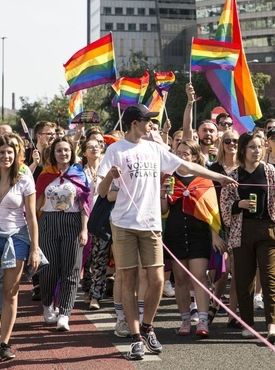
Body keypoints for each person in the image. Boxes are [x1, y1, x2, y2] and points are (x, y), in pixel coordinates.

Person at [97, 104, 235, 361]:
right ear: (134, 123)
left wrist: (218, 178)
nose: (151, 124)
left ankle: (147, 327)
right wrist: (110, 177)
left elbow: (186, 166)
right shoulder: (115, 150)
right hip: (124, 224)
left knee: (158, 279)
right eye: (147, 120)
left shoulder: (154, 149)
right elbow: (103, 191)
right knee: (128, 280)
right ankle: (136, 336)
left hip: (151, 224)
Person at [0, 135, 41, 360]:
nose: (6, 156)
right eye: (1, 152)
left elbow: (31, 216)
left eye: (10, 152)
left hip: (18, 237)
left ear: (17, 154)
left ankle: (5, 342)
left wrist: (34, 248)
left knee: (10, 293)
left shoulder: (24, 176)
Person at [219, 131, 275, 343]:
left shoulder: (270, 171)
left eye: (259, 147)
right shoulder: (234, 175)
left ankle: (271, 326)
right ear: (243, 150)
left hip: (268, 229)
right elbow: (225, 206)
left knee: (270, 277)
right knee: (244, 279)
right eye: (252, 147)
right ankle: (247, 323)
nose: (256, 151)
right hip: (242, 230)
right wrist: (239, 204)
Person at [163, 140, 226, 338]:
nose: (182, 157)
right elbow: (164, 210)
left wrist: (215, 235)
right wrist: (163, 193)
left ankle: (203, 319)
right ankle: (184, 320)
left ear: (195, 156)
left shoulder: (204, 179)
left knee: (199, 276)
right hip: (175, 232)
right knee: (180, 279)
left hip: (199, 233)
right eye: (179, 153)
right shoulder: (169, 177)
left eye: (186, 154)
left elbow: (211, 211)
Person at [35, 135, 91, 332]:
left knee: (71, 270)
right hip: (48, 222)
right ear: (53, 153)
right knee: (48, 268)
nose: (63, 153)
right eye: (59, 150)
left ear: (72, 152)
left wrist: (84, 229)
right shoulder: (45, 174)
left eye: (66, 150)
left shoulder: (79, 173)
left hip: (73, 222)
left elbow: (85, 204)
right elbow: (35, 203)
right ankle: (47, 304)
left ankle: (65, 312)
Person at [208, 128, 240, 323]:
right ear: (222, 144)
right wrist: (213, 234)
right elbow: (208, 202)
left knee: (237, 268)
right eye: (227, 141)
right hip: (218, 223)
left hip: (239, 221)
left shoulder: (244, 168)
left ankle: (233, 313)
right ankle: (214, 303)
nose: (232, 145)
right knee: (223, 268)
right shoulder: (213, 169)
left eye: (235, 141)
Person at [81, 137, 107, 310]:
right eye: (90, 147)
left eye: (97, 146)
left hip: (103, 217)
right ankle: (87, 289)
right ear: (84, 152)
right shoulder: (80, 171)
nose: (94, 149)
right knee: (87, 257)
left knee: (100, 256)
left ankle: (96, 296)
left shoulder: (107, 169)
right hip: (84, 218)